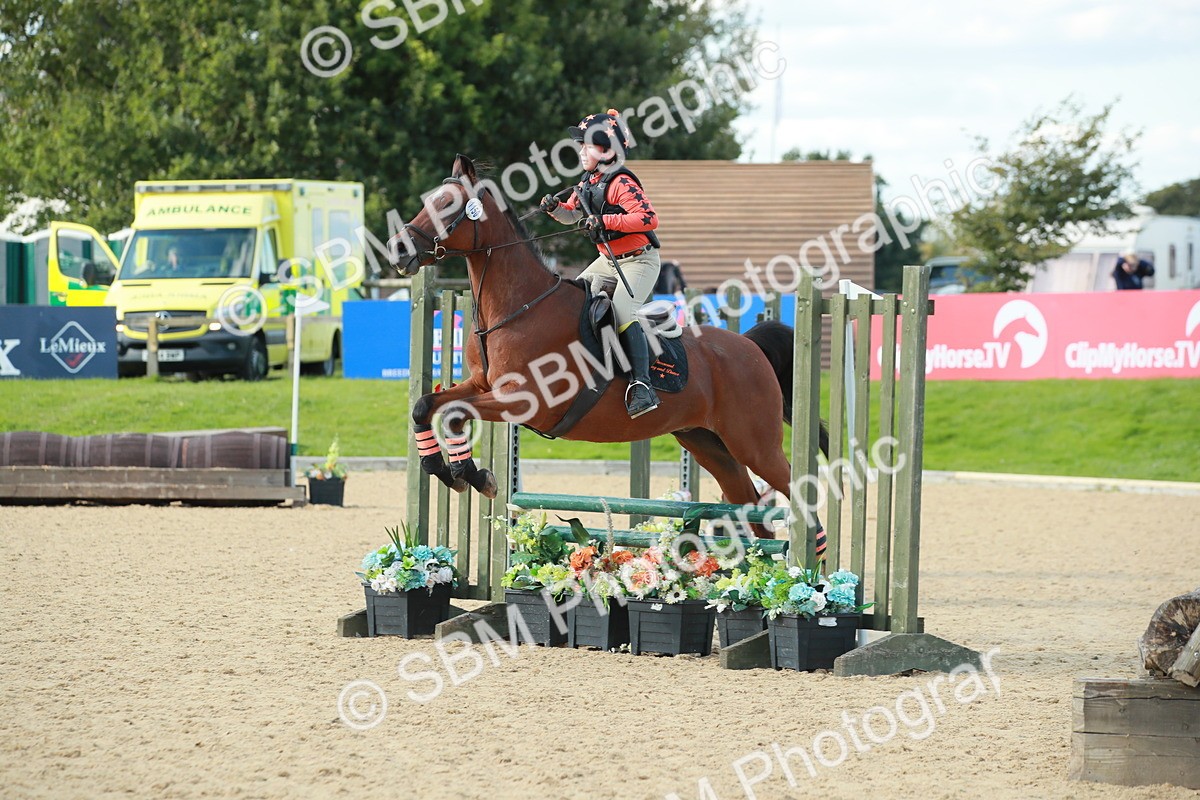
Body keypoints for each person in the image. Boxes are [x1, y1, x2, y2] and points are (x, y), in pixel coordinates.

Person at [540, 108, 663, 418]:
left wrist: (606, 219)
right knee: (571, 298)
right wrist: (554, 209)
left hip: (639, 262)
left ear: (606, 149)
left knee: (622, 310)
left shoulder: (621, 182)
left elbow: (649, 218)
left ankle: (642, 385)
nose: (581, 151)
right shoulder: (587, 182)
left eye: (586, 145)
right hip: (607, 261)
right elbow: (572, 214)